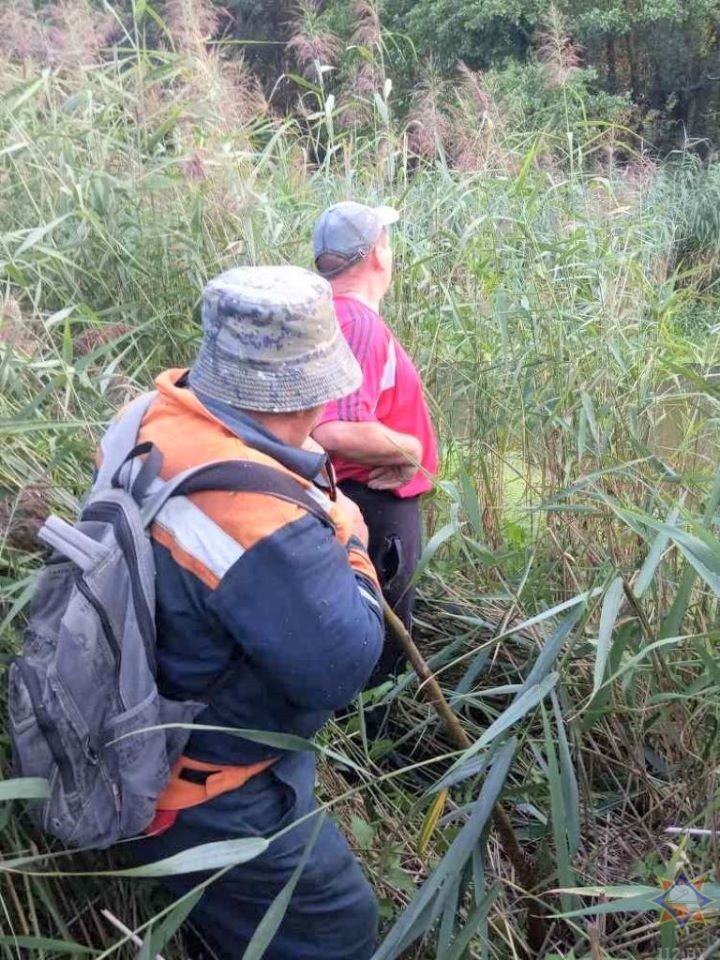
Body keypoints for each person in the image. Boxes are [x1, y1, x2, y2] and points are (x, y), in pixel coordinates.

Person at [126, 266, 385, 960]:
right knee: (338, 926)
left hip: (144, 732)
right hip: (212, 793)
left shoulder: (151, 418)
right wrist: (352, 542)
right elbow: (343, 667)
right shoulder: (260, 519)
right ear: (312, 391)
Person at [312, 202, 438, 683]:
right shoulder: (358, 324)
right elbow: (334, 428)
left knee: (355, 639)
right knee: (381, 654)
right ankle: (372, 727)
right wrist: (411, 450)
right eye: (387, 241)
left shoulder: (326, 316)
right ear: (378, 255)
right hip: (374, 509)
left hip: (349, 501)